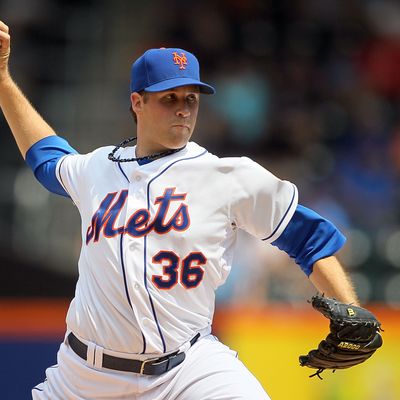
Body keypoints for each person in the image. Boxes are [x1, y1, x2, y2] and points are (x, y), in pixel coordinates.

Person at [0, 20, 361, 400]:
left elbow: (310, 240)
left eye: (191, 99)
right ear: (137, 102)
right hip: (83, 377)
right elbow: (45, 158)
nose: (183, 110)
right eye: (168, 98)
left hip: (186, 369)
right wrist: (4, 80)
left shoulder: (228, 175)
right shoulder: (96, 168)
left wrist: (351, 309)